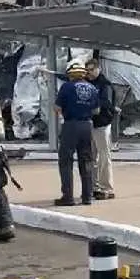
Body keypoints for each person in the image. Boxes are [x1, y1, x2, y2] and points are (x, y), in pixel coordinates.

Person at [54, 61, 99, 206]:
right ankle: (87, 196)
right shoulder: (92, 88)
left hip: (71, 125)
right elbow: (96, 110)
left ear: (70, 74)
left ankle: (68, 196)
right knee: (86, 161)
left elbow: (57, 107)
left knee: (66, 161)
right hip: (87, 126)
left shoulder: (66, 87)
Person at [85, 59, 116, 200]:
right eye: (87, 70)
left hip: (102, 124)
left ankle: (107, 188)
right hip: (90, 124)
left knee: (104, 157)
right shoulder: (86, 83)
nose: (89, 73)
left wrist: (93, 106)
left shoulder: (105, 85)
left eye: (92, 69)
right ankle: (95, 186)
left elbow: (106, 103)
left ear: (98, 69)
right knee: (92, 158)